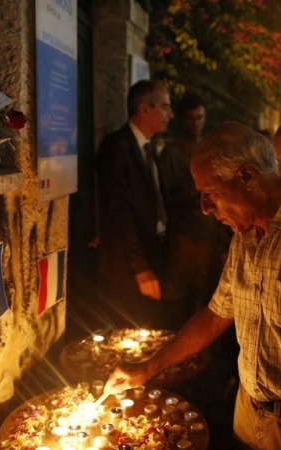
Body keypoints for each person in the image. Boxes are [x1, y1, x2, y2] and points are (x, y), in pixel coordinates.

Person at [105, 122, 281, 450]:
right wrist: (146, 367)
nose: (204, 207)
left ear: (247, 177)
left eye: (210, 193)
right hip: (247, 415)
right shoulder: (245, 236)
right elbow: (216, 316)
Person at [95, 79, 173, 329]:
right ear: (144, 109)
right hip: (127, 266)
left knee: (150, 325)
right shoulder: (117, 147)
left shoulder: (149, 148)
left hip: (150, 251)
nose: (170, 114)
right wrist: (140, 267)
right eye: (164, 107)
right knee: (130, 329)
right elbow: (120, 212)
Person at [159, 92, 228, 330]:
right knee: (175, 300)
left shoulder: (211, 151)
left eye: (199, 118)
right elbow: (164, 196)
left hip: (208, 236)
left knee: (206, 299)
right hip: (182, 237)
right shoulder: (172, 153)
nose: (195, 123)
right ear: (182, 119)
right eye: (191, 118)